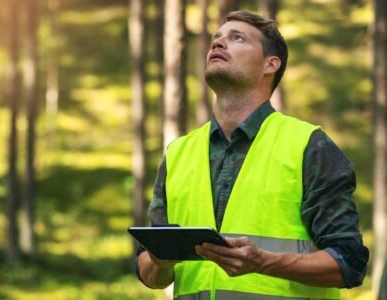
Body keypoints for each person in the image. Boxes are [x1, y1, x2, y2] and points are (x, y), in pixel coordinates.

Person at [135, 10, 368, 299]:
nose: (218, 44)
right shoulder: (179, 153)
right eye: (216, 39)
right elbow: (148, 270)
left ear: (270, 64)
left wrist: (264, 262)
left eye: (237, 38)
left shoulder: (309, 146)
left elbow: (349, 263)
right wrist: (159, 261)